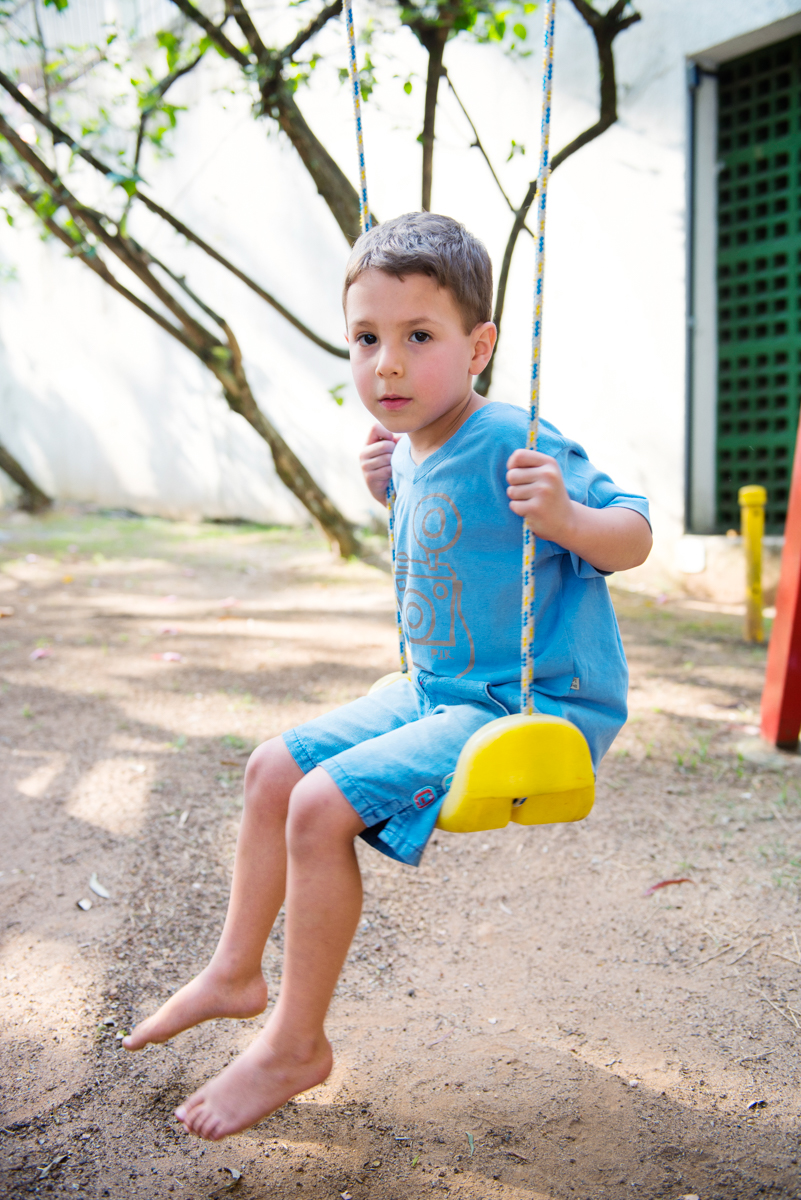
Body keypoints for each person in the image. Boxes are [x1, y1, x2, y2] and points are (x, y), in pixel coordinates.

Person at [122, 213, 652, 1141]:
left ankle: (295, 1043)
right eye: (366, 340)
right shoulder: (408, 450)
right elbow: (454, 544)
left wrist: (568, 517)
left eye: (418, 338)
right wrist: (388, 489)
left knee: (320, 805)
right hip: (432, 687)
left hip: (521, 704)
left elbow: (635, 533)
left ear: (479, 346)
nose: (387, 367)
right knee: (270, 770)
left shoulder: (509, 437)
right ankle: (235, 970)